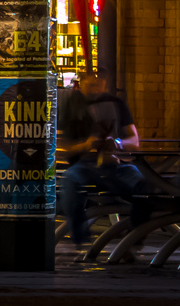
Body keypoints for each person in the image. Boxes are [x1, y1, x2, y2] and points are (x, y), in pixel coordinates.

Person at [57, 72, 147, 244]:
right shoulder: (73, 105)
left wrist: (118, 143)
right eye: (92, 85)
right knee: (69, 181)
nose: (97, 89)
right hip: (84, 166)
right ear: (81, 84)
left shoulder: (116, 103)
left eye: (100, 85)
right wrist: (87, 145)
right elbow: (65, 148)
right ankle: (81, 238)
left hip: (115, 165)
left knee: (144, 186)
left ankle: (136, 237)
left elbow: (134, 140)